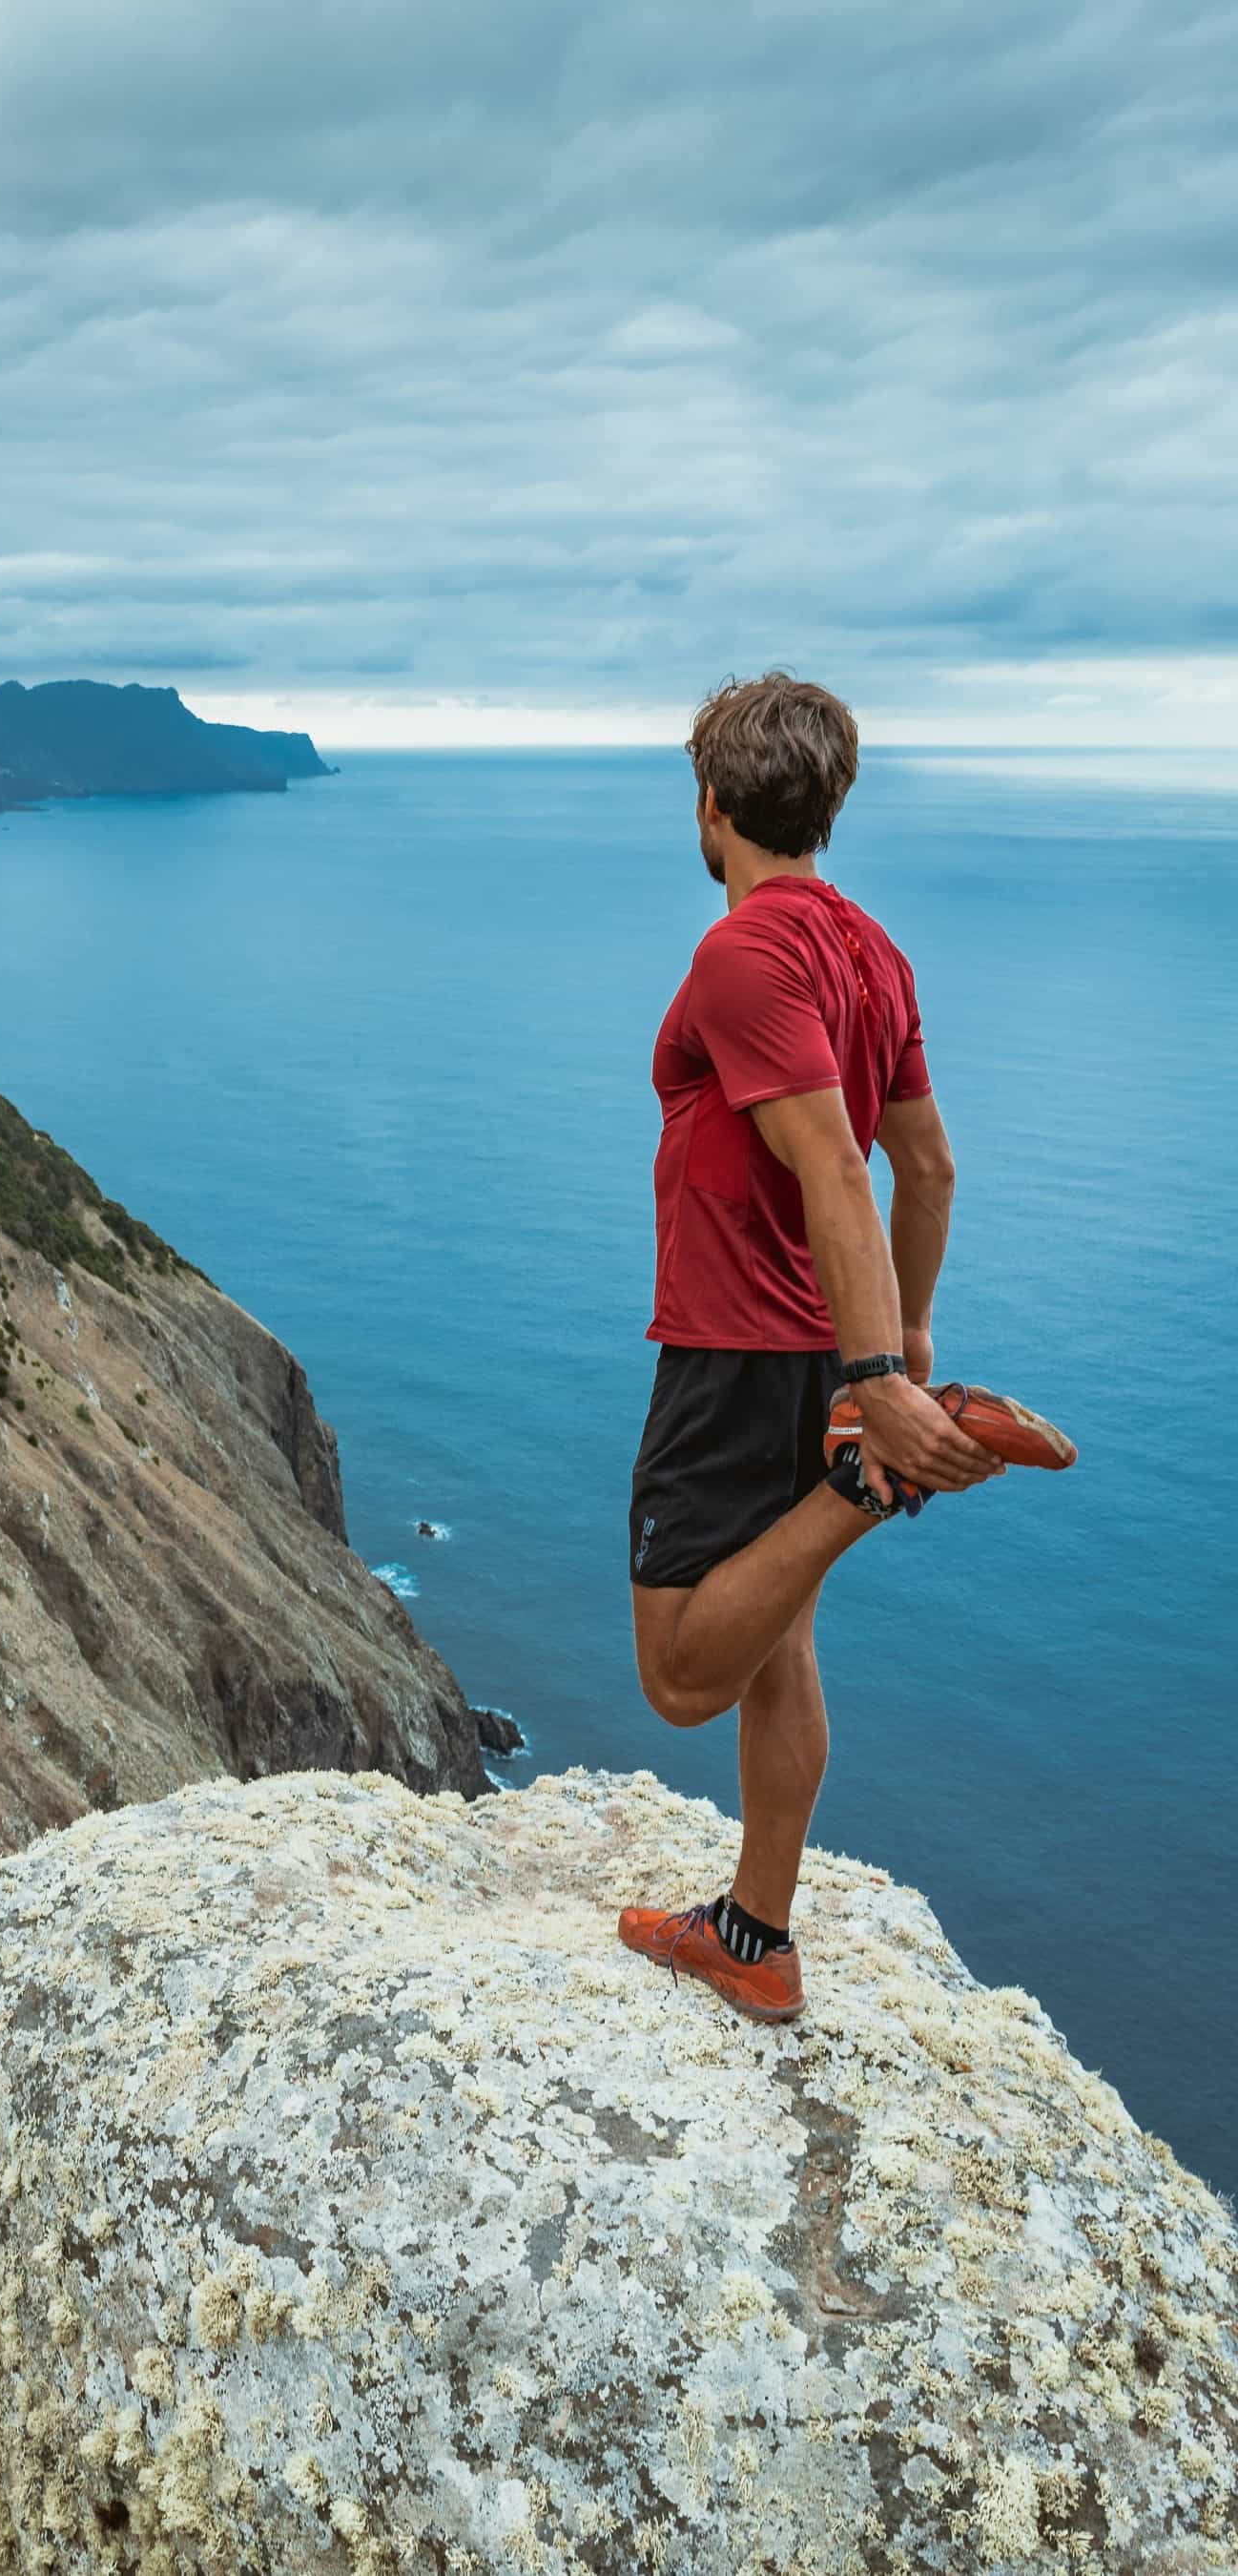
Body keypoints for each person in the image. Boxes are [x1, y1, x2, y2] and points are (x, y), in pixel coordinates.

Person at [618, 673, 1073, 2023]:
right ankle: (756, 1943)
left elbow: (833, 1166)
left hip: (740, 1348)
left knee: (685, 1671)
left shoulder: (740, 954)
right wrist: (906, 1337)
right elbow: (925, 1166)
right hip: (819, 1350)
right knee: (784, 1649)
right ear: (830, 806)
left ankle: (867, 1484)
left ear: (711, 805)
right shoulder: (874, 953)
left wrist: (881, 1397)